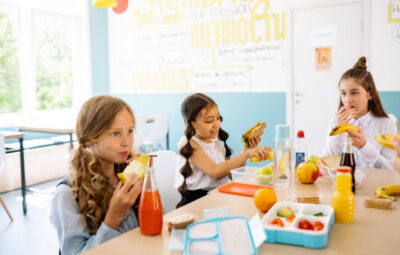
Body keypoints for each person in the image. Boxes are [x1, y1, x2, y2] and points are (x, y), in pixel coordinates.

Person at [50, 95, 143, 255]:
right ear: (88, 139)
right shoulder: (67, 194)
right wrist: (113, 217)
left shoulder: (127, 175)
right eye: (115, 133)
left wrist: (148, 185)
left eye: (129, 131)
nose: (126, 142)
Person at [175, 93, 270, 207]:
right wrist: (246, 154)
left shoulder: (215, 142)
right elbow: (215, 172)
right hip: (197, 201)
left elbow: (231, 174)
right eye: (209, 121)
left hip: (217, 195)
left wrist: (246, 150)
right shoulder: (190, 144)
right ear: (191, 124)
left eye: (218, 117)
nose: (217, 124)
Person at [322, 57, 396, 169]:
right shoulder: (334, 122)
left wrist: (364, 146)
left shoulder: (387, 124)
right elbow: (325, 163)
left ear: (369, 94)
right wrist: (337, 135)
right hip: (343, 183)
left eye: (354, 93)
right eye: (343, 93)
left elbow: (391, 170)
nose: (347, 100)